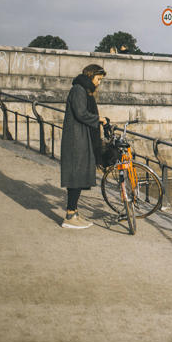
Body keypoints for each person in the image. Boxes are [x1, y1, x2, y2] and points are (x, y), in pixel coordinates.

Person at [60, 64, 107, 229]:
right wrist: (98, 119)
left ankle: (73, 212)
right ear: (90, 76)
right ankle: (69, 216)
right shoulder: (79, 90)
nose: (99, 83)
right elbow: (80, 112)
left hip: (80, 136)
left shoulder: (82, 89)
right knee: (76, 176)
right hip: (76, 138)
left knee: (78, 175)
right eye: (98, 79)